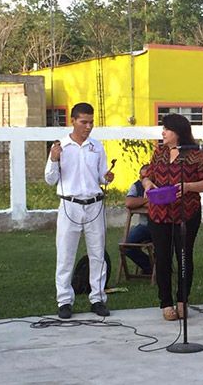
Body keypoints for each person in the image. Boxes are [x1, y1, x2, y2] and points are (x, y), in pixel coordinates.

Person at [44, 102, 114, 319]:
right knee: (65, 254)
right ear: (72, 121)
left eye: (91, 122)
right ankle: (64, 300)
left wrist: (107, 177)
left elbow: (101, 176)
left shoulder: (97, 146)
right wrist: (54, 159)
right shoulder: (60, 146)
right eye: (84, 122)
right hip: (69, 204)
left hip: (94, 204)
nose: (88, 126)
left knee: (97, 253)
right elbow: (50, 179)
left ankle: (98, 297)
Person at [142, 114, 203, 321]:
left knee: (184, 256)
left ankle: (183, 299)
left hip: (186, 213)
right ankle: (165, 302)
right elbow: (147, 173)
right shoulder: (160, 152)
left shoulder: (197, 155)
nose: (163, 133)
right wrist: (147, 184)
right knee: (162, 257)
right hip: (159, 213)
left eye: (166, 129)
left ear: (178, 132)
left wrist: (188, 187)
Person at [123, 164, 153, 275]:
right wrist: (146, 201)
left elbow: (157, 204)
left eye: (147, 176)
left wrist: (139, 201)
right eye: (142, 177)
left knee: (163, 245)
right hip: (144, 226)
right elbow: (129, 203)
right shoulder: (136, 186)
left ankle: (161, 268)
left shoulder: (159, 184)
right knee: (127, 246)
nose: (144, 179)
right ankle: (149, 267)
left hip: (159, 224)